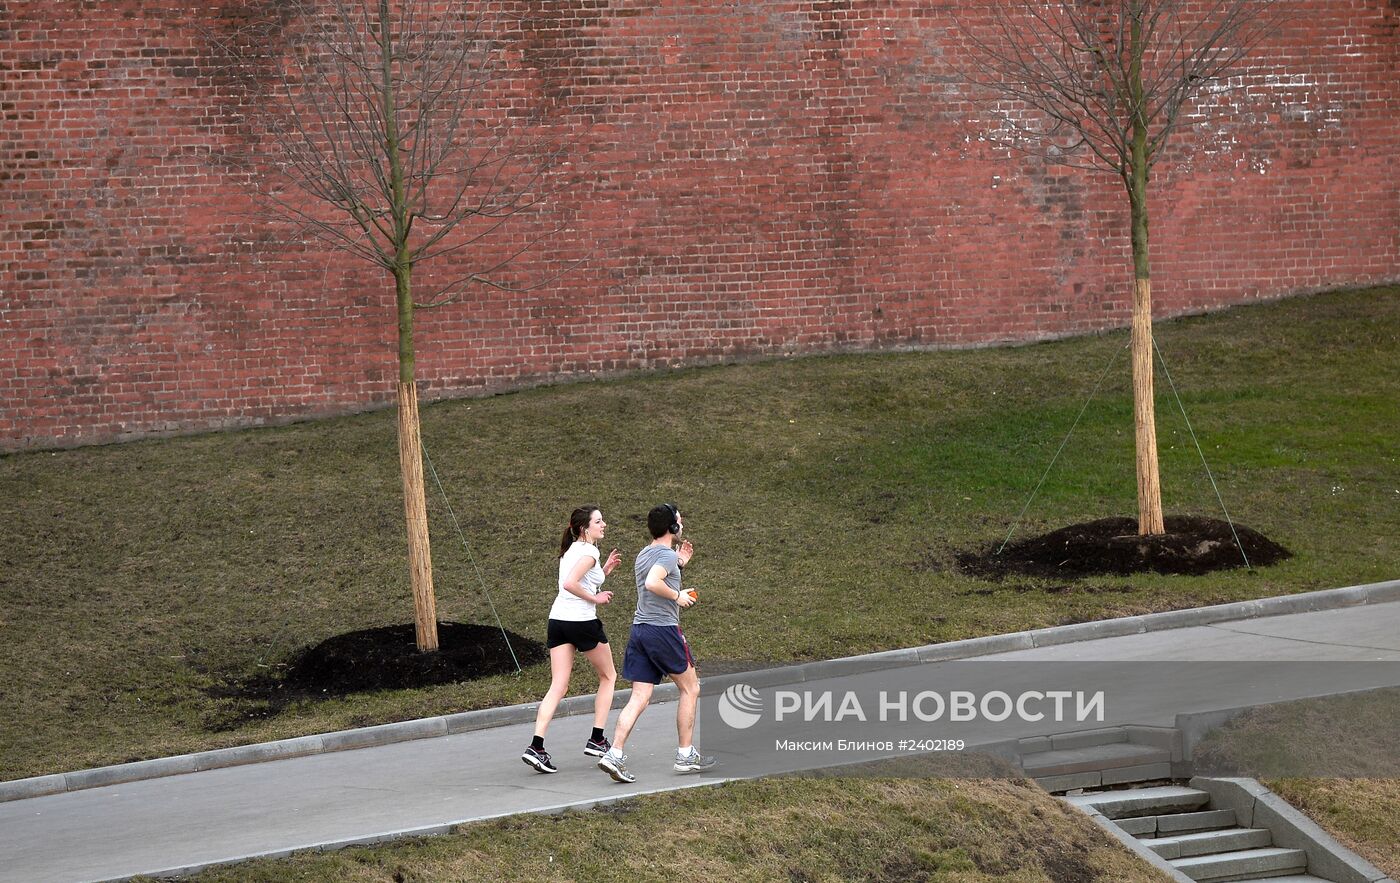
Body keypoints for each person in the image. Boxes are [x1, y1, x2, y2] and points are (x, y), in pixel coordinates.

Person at [597, 503, 716, 783]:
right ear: (672, 528)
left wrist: (680, 563)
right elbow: (653, 582)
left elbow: (659, 571)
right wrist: (677, 597)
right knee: (691, 688)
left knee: (640, 696)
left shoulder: (645, 554)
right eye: (679, 521)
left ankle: (613, 754)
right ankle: (685, 756)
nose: (682, 524)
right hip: (663, 631)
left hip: (640, 630)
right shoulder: (664, 555)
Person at [522, 506, 623, 774]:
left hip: (558, 622)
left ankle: (536, 747)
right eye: (599, 521)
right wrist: (596, 599)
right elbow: (570, 584)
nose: (604, 524)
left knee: (558, 685)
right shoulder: (589, 552)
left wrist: (605, 570)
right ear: (584, 528)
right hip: (581, 622)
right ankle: (598, 739)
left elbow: (581, 579)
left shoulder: (572, 551)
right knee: (609, 676)